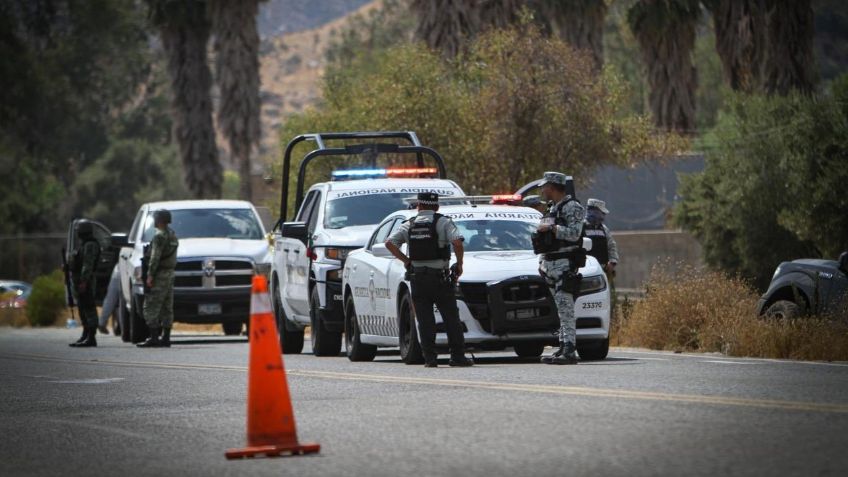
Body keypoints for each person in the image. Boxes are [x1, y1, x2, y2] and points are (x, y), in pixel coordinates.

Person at [385, 192, 473, 368]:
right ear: (437, 207)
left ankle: (430, 358)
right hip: (440, 277)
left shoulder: (408, 224)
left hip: (417, 278)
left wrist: (407, 261)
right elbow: (457, 242)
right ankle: (457, 357)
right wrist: (460, 263)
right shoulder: (443, 222)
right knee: (450, 317)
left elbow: (389, 243)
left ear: (419, 206)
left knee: (425, 319)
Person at [534, 172, 586, 365]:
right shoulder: (553, 208)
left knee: (566, 308)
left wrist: (553, 229)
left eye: (544, 187)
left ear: (553, 187)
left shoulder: (573, 207)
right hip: (550, 264)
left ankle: (570, 350)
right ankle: (563, 346)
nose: (542, 190)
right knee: (560, 309)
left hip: (564, 264)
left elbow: (574, 233)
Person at [138, 209, 179, 348]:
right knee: (167, 307)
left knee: (150, 306)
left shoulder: (159, 236)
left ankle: (154, 337)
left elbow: (155, 257)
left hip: (160, 274)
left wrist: (150, 275)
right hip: (170, 274)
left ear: (159, 220)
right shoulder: (172, 235)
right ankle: (166, 337)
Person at [69, 221, 101, 348]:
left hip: (86, 281)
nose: (77, 233)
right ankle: (86, 334)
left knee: (89, 308)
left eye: (78, 230)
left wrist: (84, 281)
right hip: (80, 280)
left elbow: (88, 264)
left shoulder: (90, 245)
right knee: (82, 308)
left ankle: (91, 337)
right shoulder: (84, 245)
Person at [584, 198, 619, 310]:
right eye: (601, 213)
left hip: (604, 271)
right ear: (593, 211)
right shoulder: (580, 227)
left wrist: (612, 262)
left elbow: (612, 246)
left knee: (610, 301)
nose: (602, 216)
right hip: (586, 273)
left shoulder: (604, 229)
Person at [98, 265, 121, 335]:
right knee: (114, 301)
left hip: (120, 271)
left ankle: (102, 323)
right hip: (122, 272)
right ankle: (102, 323)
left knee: (112, 301)